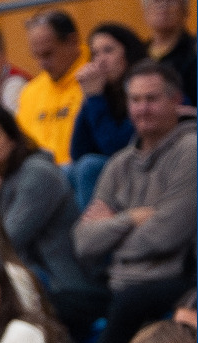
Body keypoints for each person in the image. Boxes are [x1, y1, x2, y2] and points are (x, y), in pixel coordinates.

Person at [76, 62, 198, 343]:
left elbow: (167, 233)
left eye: (152, 99)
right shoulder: (118, 164)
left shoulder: (190, 150)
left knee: (131, 302)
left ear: (176, 100)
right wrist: (130, 219)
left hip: (173, 278)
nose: (142, 109)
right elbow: (83, 242)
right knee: (59, 303)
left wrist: (110, 231)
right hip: (117, 281)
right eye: (135, 100)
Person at [0, 106, 103, 343]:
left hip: (69, 288)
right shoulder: (1, 181)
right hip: (40, 286)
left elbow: (5, 242)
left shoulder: (38, 174)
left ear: (12, 139)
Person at [70, 22, 150, 206]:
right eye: (95, 53)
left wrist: (95, 98)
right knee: (63, 171)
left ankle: (92, 232)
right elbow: (78, 151)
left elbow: (117, 148)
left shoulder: (146, 87)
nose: (100, 60)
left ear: (128, 53)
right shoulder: (101, 92)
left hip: (146, 166)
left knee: (89, 167)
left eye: (108, 51)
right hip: (118, 169)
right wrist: (89, 98)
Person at [17, 10, 87, 165]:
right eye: (36, 56)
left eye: (48, 54)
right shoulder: (31, 92)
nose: (42, 64)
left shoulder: (96, 81)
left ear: (72, 41)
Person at [142, 0, 197, 105]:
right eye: (156, 1)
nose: (163, 6)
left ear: (185, 10)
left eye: (171, 1)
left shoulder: (193, 52)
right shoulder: (136, 53)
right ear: (145, 10)